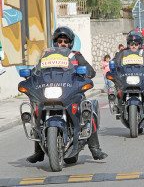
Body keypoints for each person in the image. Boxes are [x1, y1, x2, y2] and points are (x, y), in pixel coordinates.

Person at [27, 26, 107, 163]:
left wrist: (85, 73)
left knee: (88, 111)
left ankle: (95, 148)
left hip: (72, 92)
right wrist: (30, 77)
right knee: (36, 114)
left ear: (70, 43)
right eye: (59, 41)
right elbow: (36, 72)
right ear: (55, 42)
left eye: (65, 41)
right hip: (50, 91)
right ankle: (38, 151)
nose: (62, 43)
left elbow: (90, 71)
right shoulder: (47, 56)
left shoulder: (76, 55)